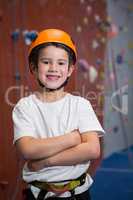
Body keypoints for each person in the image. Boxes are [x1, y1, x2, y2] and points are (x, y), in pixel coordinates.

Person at [12, 28, 105, 200]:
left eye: (61, 63)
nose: (54, 68)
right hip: (38, 194)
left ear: (70, 69)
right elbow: (28, 149)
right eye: (46, 62)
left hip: (78, 193)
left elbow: (92, 149)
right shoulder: (24, 107)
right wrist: (72, 139)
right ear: (33, 67)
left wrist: (45, 161)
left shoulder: (80, 105)